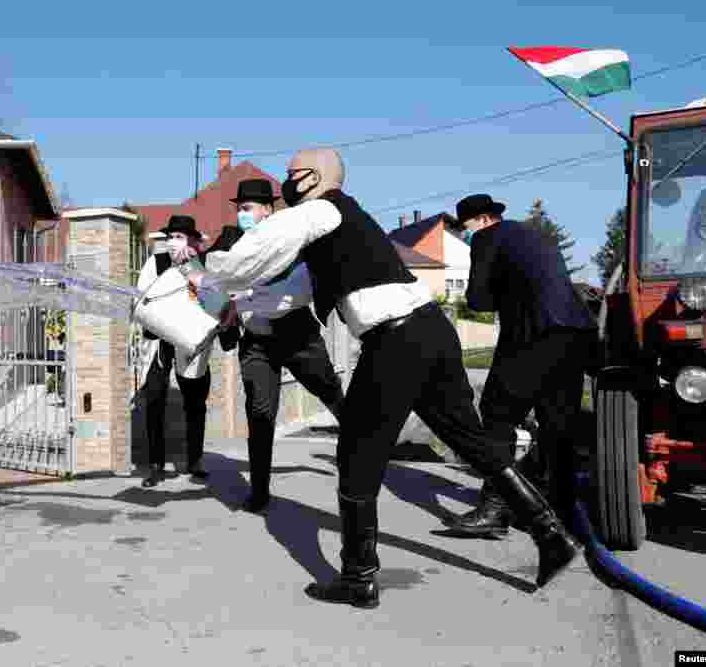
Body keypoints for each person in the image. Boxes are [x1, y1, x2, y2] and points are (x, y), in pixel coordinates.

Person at [180, 149, 580, 609]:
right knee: (470, 439)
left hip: (396, 339)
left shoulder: (320, 209)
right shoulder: (346, 222)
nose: (285, 184)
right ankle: (552, 536)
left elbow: (248, 257)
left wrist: (200, 266)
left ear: (311, 178)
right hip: (430, 329)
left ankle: (358, 577)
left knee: (356, 455)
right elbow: (293, 287)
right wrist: (234, 294)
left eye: (291, 175)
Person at [441, 194, 597, 538]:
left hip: (533, 334)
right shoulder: (534, 235)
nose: (464, 234)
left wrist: (499, 290)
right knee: (558, 422)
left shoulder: (486, 237)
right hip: (575, 334)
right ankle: (562, 513)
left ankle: (496, 507)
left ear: (481, 220)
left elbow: (478, 300)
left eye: (464, 227)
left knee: (497, 416)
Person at [208, 178, 344, 514]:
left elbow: (302, 283)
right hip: (256, 340)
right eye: (239, 209)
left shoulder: (292, 238)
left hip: (296, 332)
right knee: (260, 413)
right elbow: (210, 275)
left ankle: (358, 444)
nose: (243, 215)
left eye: (248, 208)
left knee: (329, 391)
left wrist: (251, 294)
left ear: (269, 210)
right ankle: (259, 490)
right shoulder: (231, 241)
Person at [134, 214, 214, 487]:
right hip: (159, 342)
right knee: (154, 396)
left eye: (179, 237)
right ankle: (156, 465)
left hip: (190, 341)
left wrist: (191, 265)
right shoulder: (155, 263)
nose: (172, 242)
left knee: (195, 400)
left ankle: (195, 460)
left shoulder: (200, 265)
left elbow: (211, 299)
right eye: (170, 237)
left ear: (191, 240)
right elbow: (141, 297)